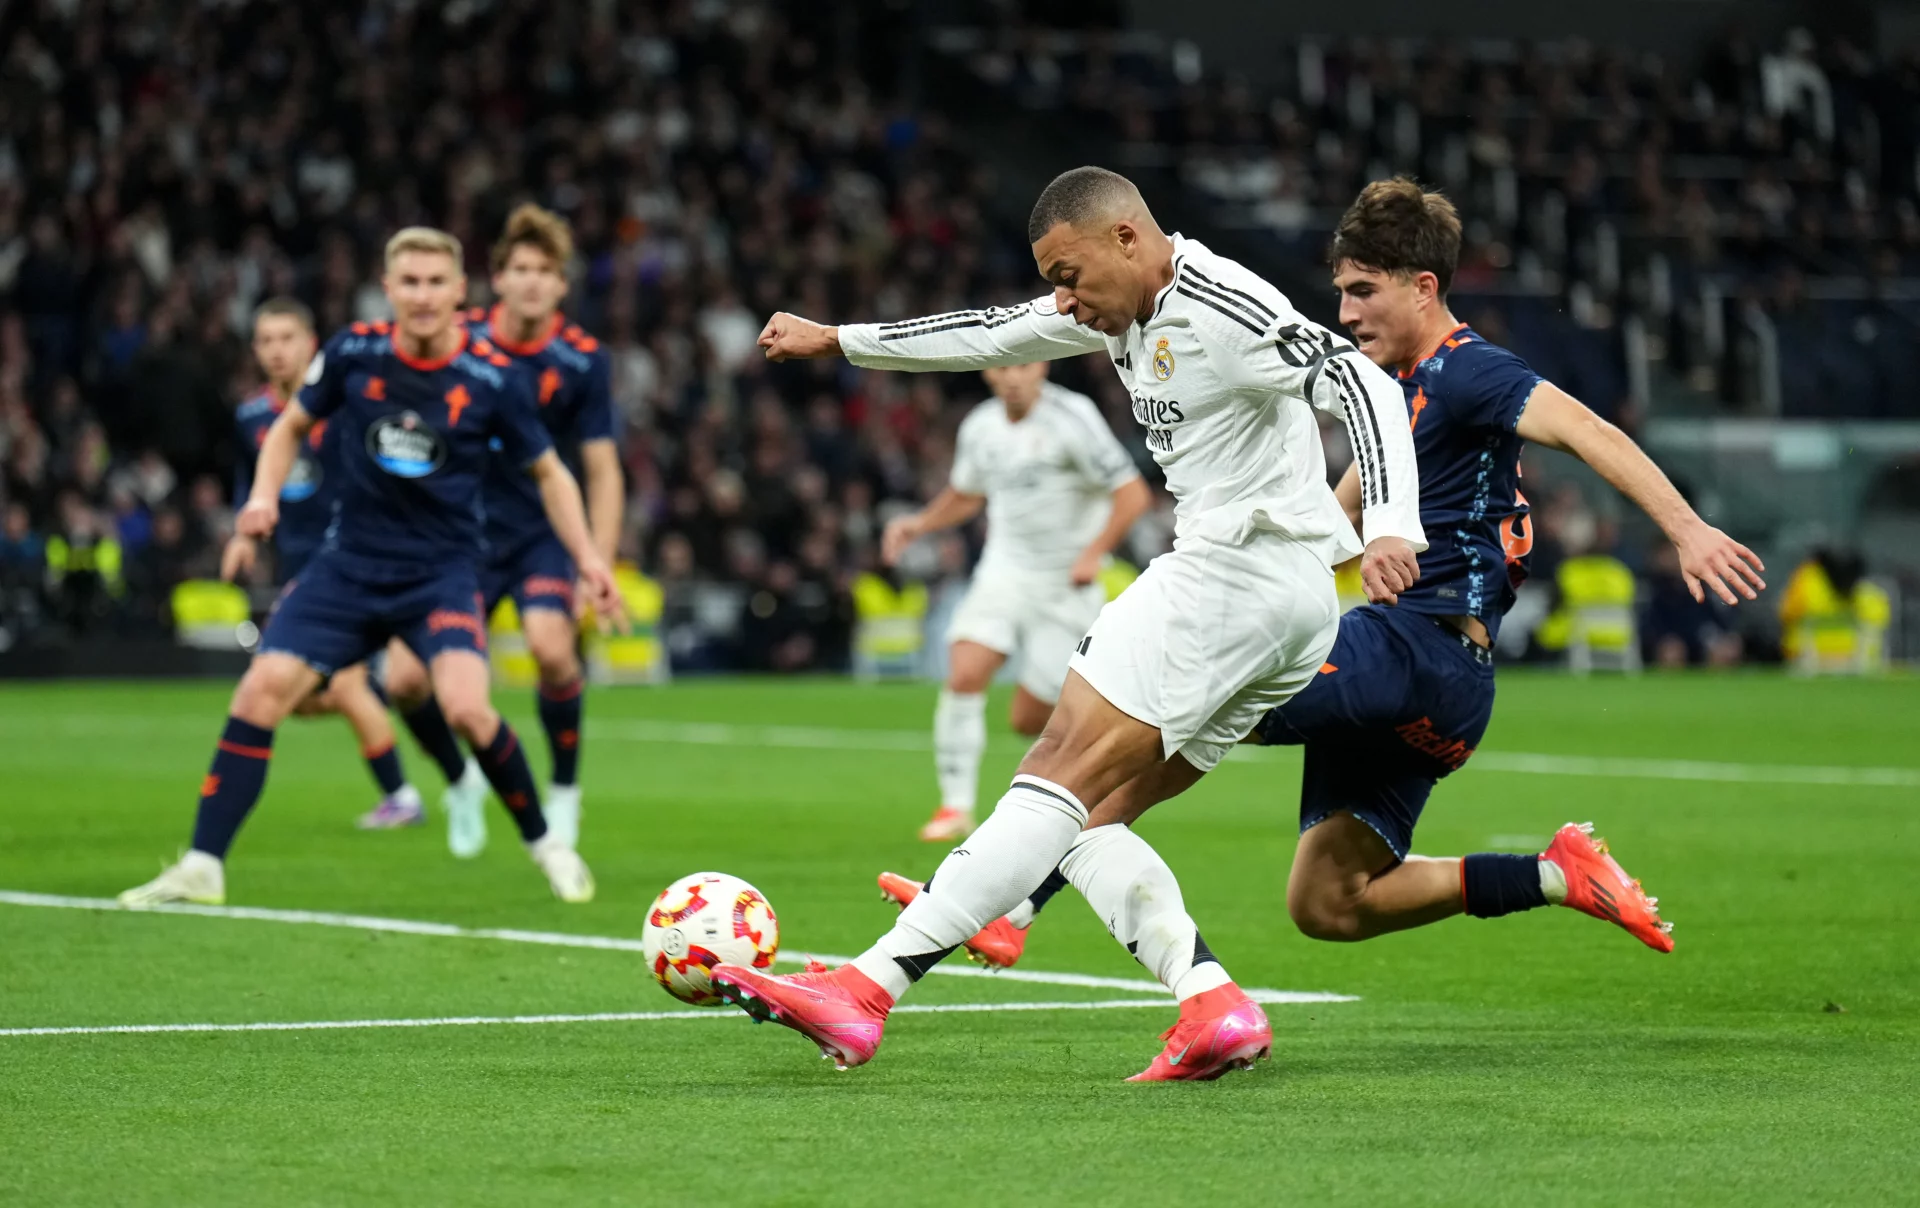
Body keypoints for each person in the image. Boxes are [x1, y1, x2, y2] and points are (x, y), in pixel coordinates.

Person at [944, 180, 1769, 1071]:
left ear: (1424, 287)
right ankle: (1558, 874)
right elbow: (1326, 526)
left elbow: (1591, 428)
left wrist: (1686, 529)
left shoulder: (1466, 371)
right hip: (1435, 690)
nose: (1345, 311)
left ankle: (1015, 902)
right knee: (1329, 906)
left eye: (1364, 291)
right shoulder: (1388, 396)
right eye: (1340, 292)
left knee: (1168, 702)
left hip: (1416, 648)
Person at [708, 165, 1427, 1078]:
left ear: (1126, 237)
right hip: (1289, 608)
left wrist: (1393, 522)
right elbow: (985, 330)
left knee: (1052, 767)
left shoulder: (1217, 301)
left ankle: (865, 990)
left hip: (1236, 571)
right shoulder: (1116, 306)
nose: (1061, 296)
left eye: (1068, 272)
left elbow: (1361, 380)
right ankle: (1208, 1001)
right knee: (1087, 818)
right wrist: (838, 339)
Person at [118, 227, 621, 908]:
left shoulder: (492, 379)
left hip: (441, 572)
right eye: (407, 282)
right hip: (348, 565)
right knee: (260, 691)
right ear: (388, 289)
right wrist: (262, 497)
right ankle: (203, 865)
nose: (421, 295)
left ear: (458, 291)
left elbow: (552, 472)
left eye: (435, 283)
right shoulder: (354, 352)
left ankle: (546, 843)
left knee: (471, 710)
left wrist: (590, 558)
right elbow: (290, 426)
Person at [382, 204, 621, 855]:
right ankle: (461, 779)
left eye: (545, 271)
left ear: (561, 285)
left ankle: (564, 792)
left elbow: (600, 468)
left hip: (538, 535)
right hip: (455, 537)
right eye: (520, 269)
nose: (532, 282)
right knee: (402, 682)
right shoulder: (459, 341)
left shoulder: (582, 361)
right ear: (497, 278)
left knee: (550, 648)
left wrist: (596, 558)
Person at [880, 361, 1148, 844]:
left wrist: (1093, 553)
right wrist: (919, 524)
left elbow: (1132, 494)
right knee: (963, 671)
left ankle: (1111, 762)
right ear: (987, 373)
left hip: (1064, 584)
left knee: (1029, 721)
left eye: (1023, 365)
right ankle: (955, 807)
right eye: (1002, 366)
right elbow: (967, 494)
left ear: (1042, 367)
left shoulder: (1074, 416)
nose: (1012, 377)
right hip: (1003, 572)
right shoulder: (981, 426)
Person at [219, 298, 426, 830]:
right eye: (265, 341)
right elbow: (252, 481)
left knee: (341, 687)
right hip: (297, 565)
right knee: (304, 702)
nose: (277, 351)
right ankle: (391, 703)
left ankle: (402, 795)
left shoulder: (343, 406)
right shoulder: (251, 417)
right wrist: (245, 532)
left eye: (287, 338)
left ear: (312, 344)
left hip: (351, 563)